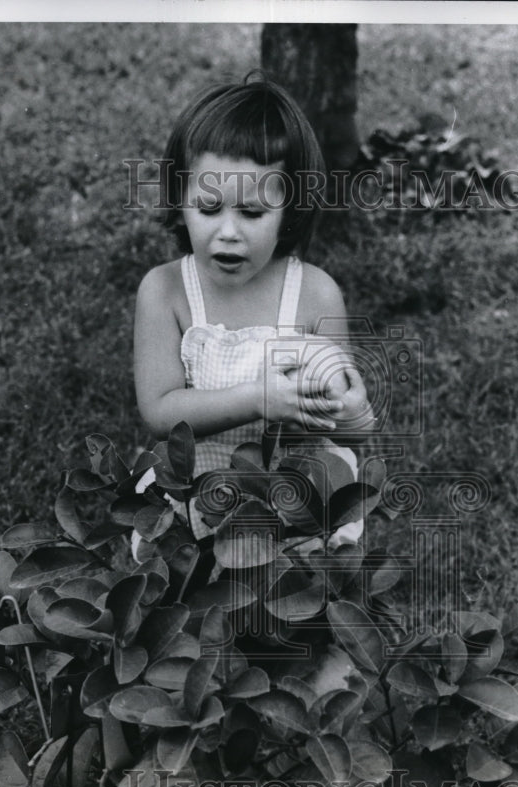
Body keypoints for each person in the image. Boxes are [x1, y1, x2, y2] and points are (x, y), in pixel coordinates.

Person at [133, 76, 374, 540]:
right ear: (180, 200)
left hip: (296, 501)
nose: (228, 232)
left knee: (294, 600)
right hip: (200, 491)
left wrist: (351, 412)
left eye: (252, 213)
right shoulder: (165, 291)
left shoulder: (315, 293)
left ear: (290, 211)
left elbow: (344, 426)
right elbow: (160, 412)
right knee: (200, 599)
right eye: (208, 208)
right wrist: (256, 400)